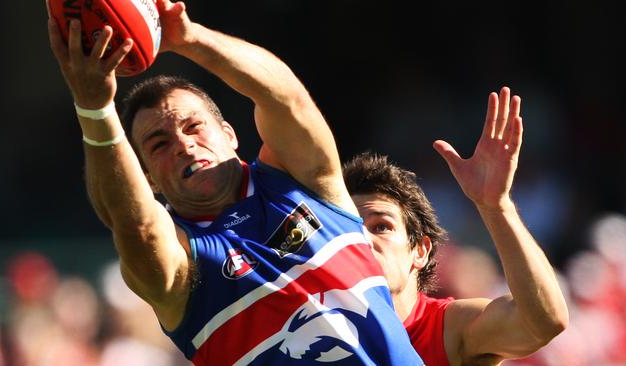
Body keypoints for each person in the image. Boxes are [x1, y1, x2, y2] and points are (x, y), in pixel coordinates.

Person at [45, 0, 423, 364]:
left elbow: (287, 98)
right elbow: (134, 224)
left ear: (229, 134)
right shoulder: (183, 261)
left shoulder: (302, 183)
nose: (183, 144)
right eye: (159, 144)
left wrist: (189, 38)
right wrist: (94, 107)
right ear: (148, 180)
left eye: (194, 126)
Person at [343, 87, 569, 365]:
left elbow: (544, 323)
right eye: (350, 228)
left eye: (381, 226)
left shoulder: (449, 329)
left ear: (421, 250)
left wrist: (495, 206)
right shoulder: (316, 334)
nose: (362, 238)